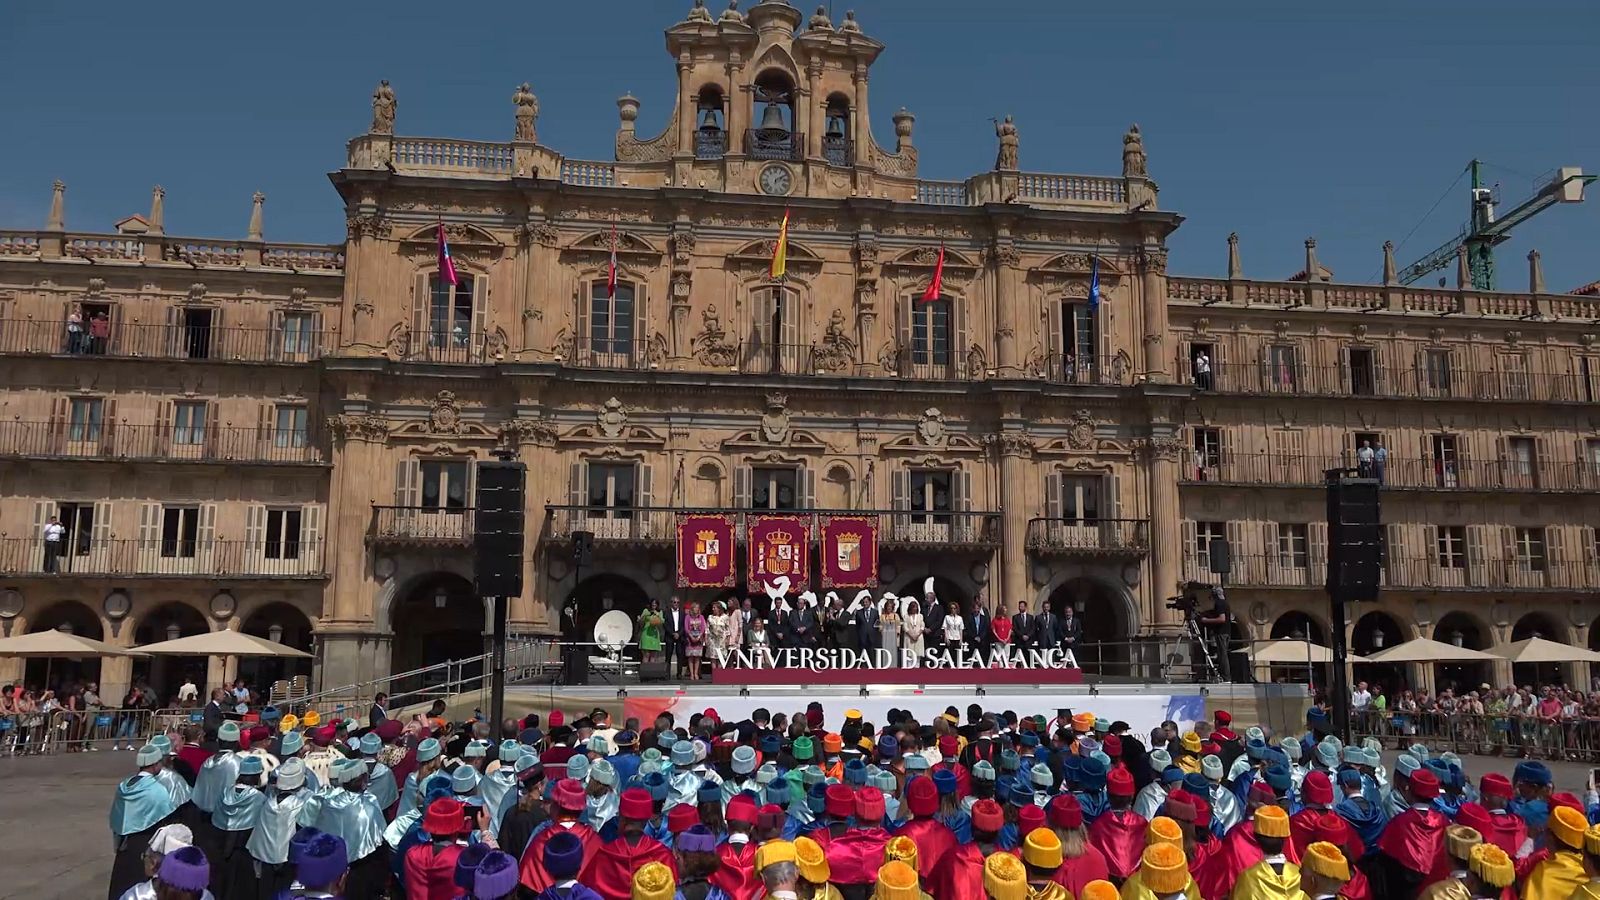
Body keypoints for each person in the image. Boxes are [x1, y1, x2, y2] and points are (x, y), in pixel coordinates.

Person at [109, 744, 182, 899]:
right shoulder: (156, 789)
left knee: (120, 884)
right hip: (146, 844)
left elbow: (117, 816)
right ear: (155, 765)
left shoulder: (124, 786)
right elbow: (166, 819)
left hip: (124, 844)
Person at [1195, 586, 1232, 682]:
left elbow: (1221, 619)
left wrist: (1206, 620)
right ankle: (1225, 676)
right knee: (1223, 654)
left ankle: (1226, 677)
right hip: (1226, 632)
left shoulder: (1219, 604)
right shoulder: (1225, 603)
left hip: (1221, 633)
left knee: (1222, 655)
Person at [684, 603, 706, 682]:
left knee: (697, 657)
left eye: (698, 608)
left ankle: (696, 673)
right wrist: (691, 637)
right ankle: (692, 673)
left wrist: (699, 636)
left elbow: (703, 627)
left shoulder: (701, 617)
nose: (697, 609)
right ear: (692, 608)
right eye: (695, 608)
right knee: (690, 657)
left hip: (699, 639)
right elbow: (686, 628)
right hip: (690, 639)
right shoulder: (687, 617)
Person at [663, 596, 683, 680]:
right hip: (670, 636)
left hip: (679, 636)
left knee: (680, 655)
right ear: (671, 603)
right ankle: (667, 674)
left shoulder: (682, 613)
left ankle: (679, 674)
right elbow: (665, 625)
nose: (676, 604)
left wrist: (679, 633)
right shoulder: (666, 612)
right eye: (674, 602)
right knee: (668, 656)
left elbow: (683, 625)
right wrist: (672, 633)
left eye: (678, 602)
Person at [640, 600, 665, 666]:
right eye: (653, 603)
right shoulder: (646, 611)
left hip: (654, 635)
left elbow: (662, 621)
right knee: (646, 655)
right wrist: (646, 615)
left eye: (655, 604)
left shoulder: (660, 612)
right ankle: (645, 672)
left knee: (653, 655)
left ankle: (651, 673)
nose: (654, 605)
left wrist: (657, 615)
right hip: (646, 634)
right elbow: (641, 621)